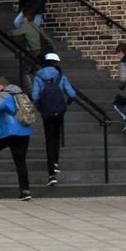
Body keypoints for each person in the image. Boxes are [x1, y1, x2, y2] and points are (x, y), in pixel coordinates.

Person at [31, 51, 78, 186]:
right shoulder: (60, 76)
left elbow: (35, 96)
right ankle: (56, 163)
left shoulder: (39, 76)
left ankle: (51, 172)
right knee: (56, 137)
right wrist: (67, 102)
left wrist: (40, 106)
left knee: (49, 139)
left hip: (46, 111)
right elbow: (72, 94)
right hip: (59, 110)